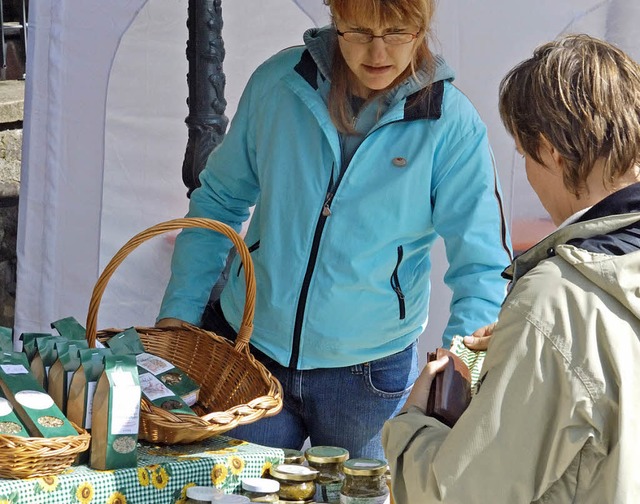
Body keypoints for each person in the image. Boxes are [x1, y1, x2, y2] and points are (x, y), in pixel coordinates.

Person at [156, 0, 512, 460]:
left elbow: (482, 266)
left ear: (423, 25)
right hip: (248, 351)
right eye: (359, 30)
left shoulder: (451, 125)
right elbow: (218, 202)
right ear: (334, 18)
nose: (377, 51)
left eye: (398, 31)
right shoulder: (277, 85)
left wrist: (458, 366)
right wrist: (180, 314)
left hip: (369, 375)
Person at [383, 33, 640, 502]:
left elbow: (462, 493)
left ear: (550, 150)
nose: (526, 173)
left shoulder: (556, 300)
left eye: (523, 155)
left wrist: (412, 426)